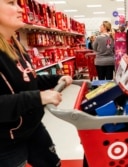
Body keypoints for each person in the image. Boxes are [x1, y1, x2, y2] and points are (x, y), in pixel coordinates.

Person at [0, 1, 73, 167]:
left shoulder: (15, 45)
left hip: (33, 128)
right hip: (5, 141)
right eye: (11, 3)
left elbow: (28, 79)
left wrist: (56, 79)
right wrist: (38, 97)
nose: (20, 9)